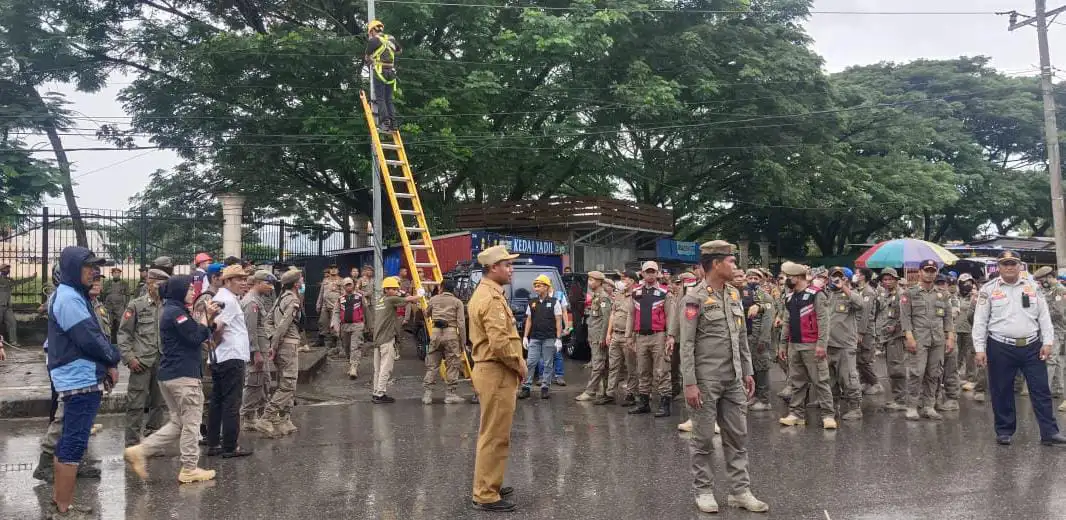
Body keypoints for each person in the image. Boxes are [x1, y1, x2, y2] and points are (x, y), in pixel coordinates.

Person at [679, 241, 768, 514]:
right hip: (706, 380)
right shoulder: (694, 297)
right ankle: (703, 490)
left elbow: (740, 337)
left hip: (734, 378)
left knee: (737, 437)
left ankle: (740, 491)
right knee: (704, 439)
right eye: (731, 261)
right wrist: (690, 383)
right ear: (716, 264)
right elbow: (687, 344)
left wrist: (748, 371)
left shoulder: (733, 295)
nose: (735, 267)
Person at [123, 274, 221, 484]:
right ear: (178, 291)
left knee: (178, 422)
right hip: (183, 377)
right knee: (191, 423)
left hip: (171, 375)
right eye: (189, 289)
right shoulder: (175, 313)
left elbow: (195, 333)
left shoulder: (175, 310)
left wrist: (208, 320)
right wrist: (205, 319)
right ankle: (189, 468)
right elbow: (195, 337)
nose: (194, 292)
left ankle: (140, 451)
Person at [46, 247, 118, 518]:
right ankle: (64, 510)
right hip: (80, 379)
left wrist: (108, 362)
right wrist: (113, 357)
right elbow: (89, 338)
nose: (95, 271)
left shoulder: (71, 295)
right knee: (74, 443)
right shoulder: (68, 298)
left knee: (68, 441)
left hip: (78, 376)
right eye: (89, 267)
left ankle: (59, 501)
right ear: (73, 268)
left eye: (96, 267)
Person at [973, 250, 1066, 446]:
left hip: (1032, 345)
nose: (1009, 267)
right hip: (1000, 345)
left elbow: (1044, 317)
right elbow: (980, 321)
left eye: (1013, 263)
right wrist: (979, 349)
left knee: (1041, 390)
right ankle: (1004, 430)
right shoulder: (988, 289)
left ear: (1019, 266)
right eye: (1005, 263)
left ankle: (1049, 432)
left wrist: (1048, 342)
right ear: (998, 267)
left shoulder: (1033, 287)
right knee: (1001, 390)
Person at [468, 246, 524, 512]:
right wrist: (520, 366)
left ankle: (491, 482)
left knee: (495, 432)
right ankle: (486, 494)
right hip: (496, 370)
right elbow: (501, 343)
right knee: (494, 435)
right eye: (507, 265)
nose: (511, 269)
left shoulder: (489, 293)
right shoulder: (490, 298)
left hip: (493, 369)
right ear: (493, 268)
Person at [778, 261, 835, 429]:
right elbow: (787, 321)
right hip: (794, 345)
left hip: (812, 344)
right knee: (796, 381)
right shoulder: (789, 296)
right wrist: (782, 344)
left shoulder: (816, 294)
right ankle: (796, 414)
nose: (786, 280)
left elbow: (823, 321)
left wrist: (821, 345)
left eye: (788, 277)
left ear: (797, 277)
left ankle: (828, 415)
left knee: (820, 381)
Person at [205, 266, 253, 458]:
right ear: (227, 281)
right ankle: (230, 446)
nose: (243, 282)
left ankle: (214, 442)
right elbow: (217, 327)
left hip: (220, 356)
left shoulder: (221, 298)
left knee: (217, 401)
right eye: (238, 279)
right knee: (232, 402)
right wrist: (213, 343)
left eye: (244, 279)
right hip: (231, 356)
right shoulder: (229, 301)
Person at [117, 269, 169, 447]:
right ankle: (132, 444)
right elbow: (124, 333)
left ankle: (153, 441)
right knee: (135, 404)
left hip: (163, 361)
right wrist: (129, 357)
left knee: (159, 404)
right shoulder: (137, 305)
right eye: (157, 283)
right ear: (149, 283)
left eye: (164, 284)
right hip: (141, 362)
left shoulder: (168, 306)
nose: (161, 287)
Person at [899, 260, 954, 421]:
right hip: (918, 338)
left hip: (937, 339)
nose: (930, 273)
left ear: (936, 272)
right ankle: (912, 406)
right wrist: (909, 337)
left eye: (933, 270)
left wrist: (950, 337)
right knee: (917, 373)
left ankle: (929, 406)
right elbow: (905, 316)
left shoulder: (942, 294)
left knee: (935, 373)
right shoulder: (910, 293)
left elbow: (948, 318)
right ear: (920, 272)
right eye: (927, 270)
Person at [255, 269, 304, 437]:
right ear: (297, 283)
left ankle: (284, 419)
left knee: (287, 382)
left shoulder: (279, 299)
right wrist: (274, 345)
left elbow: (268, 320)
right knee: (288, 384)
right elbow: (284, 325)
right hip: (287, 346)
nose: (303, 282)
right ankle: (268, 416)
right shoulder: (292, 300)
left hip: (282, 344)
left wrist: (270, 337)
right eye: (301, 279)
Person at [626, 261, 672, 416]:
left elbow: (670, 316)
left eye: (653, 271)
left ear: (657, 273)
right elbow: (631, 315)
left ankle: (665, 405)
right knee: (642, 371)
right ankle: (644, 403)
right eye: (647, 271)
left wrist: (670, 336)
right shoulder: (635, 293)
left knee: (662, 370)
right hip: (640, 337)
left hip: (659, 336)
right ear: (642, 273)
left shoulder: (665, 292)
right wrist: (629, 336)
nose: (650, 274)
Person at [370, 276, 421, 403]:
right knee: (386, 368)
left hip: (377, 339)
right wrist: (419, 295)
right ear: (386, 290)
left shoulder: (381, 301)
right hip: (386, 339)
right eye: (392, 288)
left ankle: (376, 391)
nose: (395, 290)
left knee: (377, 369)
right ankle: (380, 394)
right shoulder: (390, 299)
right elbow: (407, 299)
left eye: (395, 288)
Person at [824, 266, 864, 420]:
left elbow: (860, 304)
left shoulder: (850, 294)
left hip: (845, 344)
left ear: (846, 279)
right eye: (834, 276)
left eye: (840, 277)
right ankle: (832, 408)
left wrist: (845, 288)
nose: (836, 279)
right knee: (829, 379)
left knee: (848, 378)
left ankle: (855, 408)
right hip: (827, 344)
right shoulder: (825, 295)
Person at [240, 270, 276, 428]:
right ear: (258, 283)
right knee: (254, 383)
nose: (271, 287)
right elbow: (250, 330)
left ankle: (257, 414)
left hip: (262, 348)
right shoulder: (251, 303)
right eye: (268, 283)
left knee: (263, 382)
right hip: (256, 351)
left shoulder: (257, 300)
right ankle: (246, 417)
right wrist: (255, 353)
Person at [519, 275, 563, 400]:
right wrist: (525, 337)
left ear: (547, 287)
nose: (536, 288)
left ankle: (545, 387)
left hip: (549, 337)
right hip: (535, 337)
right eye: (535, 286)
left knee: (548, 363)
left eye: (539, 286)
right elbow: (529, 320)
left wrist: (558, 338)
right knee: (531, 362)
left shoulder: (554, 302)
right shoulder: (532, 303)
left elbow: (558, 321)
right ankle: (526, 387)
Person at [423, 279, 467, 404]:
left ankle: (428, 394)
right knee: (453, 364)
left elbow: (426, 314)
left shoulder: (433, 299)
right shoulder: (457, 302)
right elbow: (461, 324)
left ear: (441, 288)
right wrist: (463, 342)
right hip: (451, 334)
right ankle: (450, 394)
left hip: (436, 334)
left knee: (432, 364)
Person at [740, 269, 774, 411]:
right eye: (750, 278)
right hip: (747, 336)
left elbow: (768, 319)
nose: (753, 281)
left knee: (761, 367)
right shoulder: (744, 294)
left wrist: (764, 339)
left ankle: (764, 399)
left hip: (759, 337)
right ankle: (753, 396)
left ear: (761, 280)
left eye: (756, 278)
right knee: (750, 368)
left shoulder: (764, 296)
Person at [875, 268, 908, 411]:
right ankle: (897, 397)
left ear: (896, 280)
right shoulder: (885, 295)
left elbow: (905, 315)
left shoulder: (901, 295)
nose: (887, 282)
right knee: (891, 368)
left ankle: (901, 400)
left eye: (890, 279)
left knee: (897, 368)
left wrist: (896, 326)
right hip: (887, 336)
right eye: (885, 280)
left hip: (897, 336)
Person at [577, 272, 612, 402]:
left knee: (598, 364)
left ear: (599, 282)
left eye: (592, 280)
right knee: (602, 364)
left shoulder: (603, 298)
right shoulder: (596, 297)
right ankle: (603, 390)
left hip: (599, 337)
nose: (589, 283)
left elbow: (606, 319)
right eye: (589, 280)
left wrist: (603, 337)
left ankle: (590, 391)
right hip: (594, 336)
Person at [603, 272, 637, 406]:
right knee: (613, 366)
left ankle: (631, 393)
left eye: (625, 279)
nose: (622, 281)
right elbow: (613, 313)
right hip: (615, 335)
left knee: (631, 367)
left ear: (632, 281)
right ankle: (610, 393)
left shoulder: (636, 296)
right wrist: (608, 333)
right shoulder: (618, 295)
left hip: (629, 336)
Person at [1033, 266, 1066, 399]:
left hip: (1056, 329)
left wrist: (1040, 316)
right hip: (1048, 328)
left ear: (1049, 277)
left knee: (1050, 359)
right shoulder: (1047, 290)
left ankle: (1043, 390)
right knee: (1056, 359)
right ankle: (1058, 388)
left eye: (1042, 280)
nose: (1041, 283)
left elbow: (1058, 312)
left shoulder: (1059, 290)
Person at [365, 19, 402, 133]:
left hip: (380, 72)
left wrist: (373, 60)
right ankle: (394, 124)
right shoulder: (390, 38)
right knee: (389, 99)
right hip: (391, 72)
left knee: (380, 98)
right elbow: (399, 51)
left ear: (371, 31)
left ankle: (385, 123)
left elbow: (366, 58)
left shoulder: (374, 41)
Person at [332, 277, 370, 379]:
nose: (348, 286)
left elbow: (366, 310)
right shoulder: (340, 299)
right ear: (343, 287)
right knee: (347, 347)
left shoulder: (360, 297)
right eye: (346, 285)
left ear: (353, 285)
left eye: (350, 284)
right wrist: (334, 325)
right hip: (344, 326)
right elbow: (336, 312)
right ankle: (351, 363)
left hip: (357, 325)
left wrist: (369, 326)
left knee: (355, 346)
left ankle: (354, 367)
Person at [935, 274, 962, 411]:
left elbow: (953, 314)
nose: (940, 286)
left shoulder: (953, 299)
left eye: (943, 284)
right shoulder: (931, 298)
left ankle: (952, 398)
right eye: (938, 284)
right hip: (934, 338)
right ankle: (936, 397)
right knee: (934, 370)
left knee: (950, 369)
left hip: (950, 337)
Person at [854, 268, 881, 394]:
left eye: (858, 273)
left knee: (863, 359)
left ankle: (875, 383)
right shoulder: (860, 291)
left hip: (866, 329)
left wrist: (861, 332)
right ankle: (865, 382)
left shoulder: (868, 292)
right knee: (858, 357)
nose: (856, 275)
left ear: (863, 277)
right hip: (859, 327)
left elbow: (865, 313)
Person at [0, 262, 36, 346]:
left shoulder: (9, 280)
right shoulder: (3, 280)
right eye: (6, 268)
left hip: (7, 307)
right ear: (1, 270)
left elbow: (19, 282)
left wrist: (31, 278)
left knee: (12, 323)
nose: (8, 270)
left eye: (8, 268)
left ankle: (13, 341)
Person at [317, 265, 341, 353]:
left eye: (335, 269)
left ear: (338, 270)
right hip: (324, 305)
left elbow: (343, 293)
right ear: (329, 271)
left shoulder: (341, 281)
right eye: (331, 269)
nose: (333, 270)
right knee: (322, 322)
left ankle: (334, 341)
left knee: (334, 323)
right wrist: (318, 304)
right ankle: (321, 340)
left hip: (335, 305)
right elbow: (321, 293)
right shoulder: (325, 280)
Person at [102, 267, 129, 343]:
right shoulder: (107, 283)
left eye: (118, 273)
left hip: (120, 308)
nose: (116, 274)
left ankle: (120, 342)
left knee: (120, 325)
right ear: (112, 274)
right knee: (108, 324)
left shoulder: (124, 284)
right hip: (109, 307)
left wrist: (126, 305)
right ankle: (109, 341)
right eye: (115, 273)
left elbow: (127, 295)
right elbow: (103, 294)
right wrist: (105, 304)